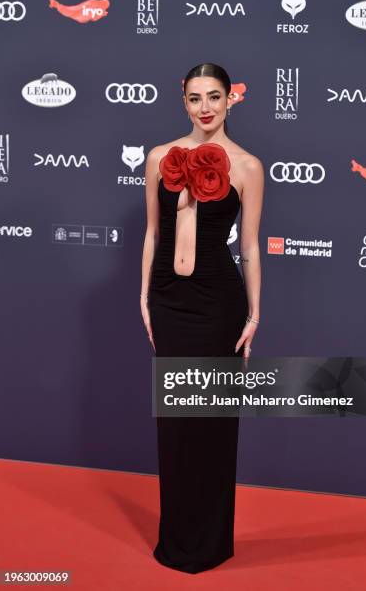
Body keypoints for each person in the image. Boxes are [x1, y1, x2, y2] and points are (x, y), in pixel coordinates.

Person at [140, 62, 264, 574]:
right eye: (195, 98)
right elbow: (152, 233)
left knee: (210, 421)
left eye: (215, 96)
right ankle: (177, 539)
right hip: (169, 301)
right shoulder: (157, 157)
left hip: (218, 303)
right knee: (175, 423)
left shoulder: (247, 166)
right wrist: (144, 297)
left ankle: (209, 543)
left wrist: (255, 313)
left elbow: (251, 248)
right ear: (183, 100)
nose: (205, 107)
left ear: (231, 99)